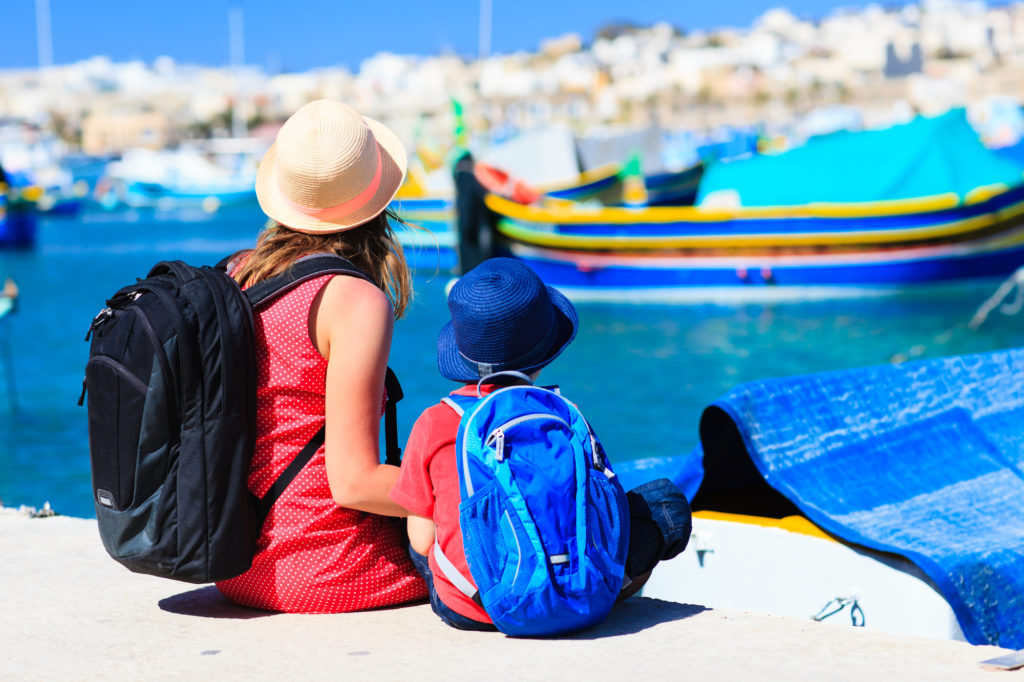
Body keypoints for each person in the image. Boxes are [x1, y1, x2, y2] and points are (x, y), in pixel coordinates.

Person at [390, 257, 692, 631]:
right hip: (577, 595)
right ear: (545, 352)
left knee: (418, 533)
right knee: (665, 504)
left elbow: (422, 541)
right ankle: (587, 594)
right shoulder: (566, 415)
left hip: (472, 609)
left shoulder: (433, 421)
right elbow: (605, 512)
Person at [214, 99, 427, 613]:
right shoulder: (353, 300)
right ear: (378, 201)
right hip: (333, 571)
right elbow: (353, 483)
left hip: (236, 567)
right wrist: (451, 483)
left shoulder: (233, 276)